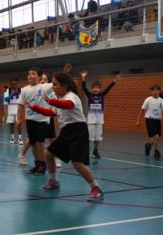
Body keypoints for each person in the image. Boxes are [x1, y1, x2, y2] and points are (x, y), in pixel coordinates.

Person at [26, 72, 104, 201]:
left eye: (55, 84)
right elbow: (51, 112)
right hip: (66, 132)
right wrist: (34, 107)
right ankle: (53, 181)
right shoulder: (60, 99)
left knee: (77, 163)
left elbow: (68, 105)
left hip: (78, 131)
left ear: (65, 85)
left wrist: (51, 101)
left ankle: (96, 188)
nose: (53, 87)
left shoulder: (71, 97)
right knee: (48, 154)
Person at [17, 67, 52, 175]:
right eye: (29, 74)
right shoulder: (24, 90)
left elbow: (56, 82)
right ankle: (37, 164)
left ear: (40, 77)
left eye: (33, 73)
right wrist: (18, 118)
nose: (30, 75)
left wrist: (65, 72)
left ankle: (43, 164)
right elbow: (20, 105)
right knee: (32, 143)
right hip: (30, 120)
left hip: (42, 120)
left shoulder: (44, 87)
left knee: (40, 142)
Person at [80, 71, 120, 159]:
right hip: (91, 120)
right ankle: (85, 151)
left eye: (97, 88)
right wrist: (83, 78)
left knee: (98, 138)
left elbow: (108, 88)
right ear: (92, 89)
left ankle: (95, 150)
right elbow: (83, 87)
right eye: (94, 87)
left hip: (99, 121)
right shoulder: (90, 95)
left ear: (100, 89)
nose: (95, 89)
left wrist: (114, 81)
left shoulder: (102, 95)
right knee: (89, 137)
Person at [136, 84, 163, 160]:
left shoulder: (161, 100)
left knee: (157, 138)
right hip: (149, 120)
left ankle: (148, 144)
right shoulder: (148, 99)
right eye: (153, 90)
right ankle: (156, 153)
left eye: (157, 90)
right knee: (156, 136)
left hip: (157, 121)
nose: (155, 92)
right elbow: (142, 110)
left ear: (160, 91)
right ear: (151, 91)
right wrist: (138, 121)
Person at [4, 79, 23, 145]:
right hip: (11, 109)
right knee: (11, 125)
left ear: (17, 84)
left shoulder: (21, 90)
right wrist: (12, 94)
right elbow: (6, 99)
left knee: (19, 124)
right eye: (12, 84)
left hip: (18, 109)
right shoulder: (8, 90)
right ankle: (12, 138)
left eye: (14, 84)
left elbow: (23, 99)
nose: (13, 85)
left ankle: (20, 139)